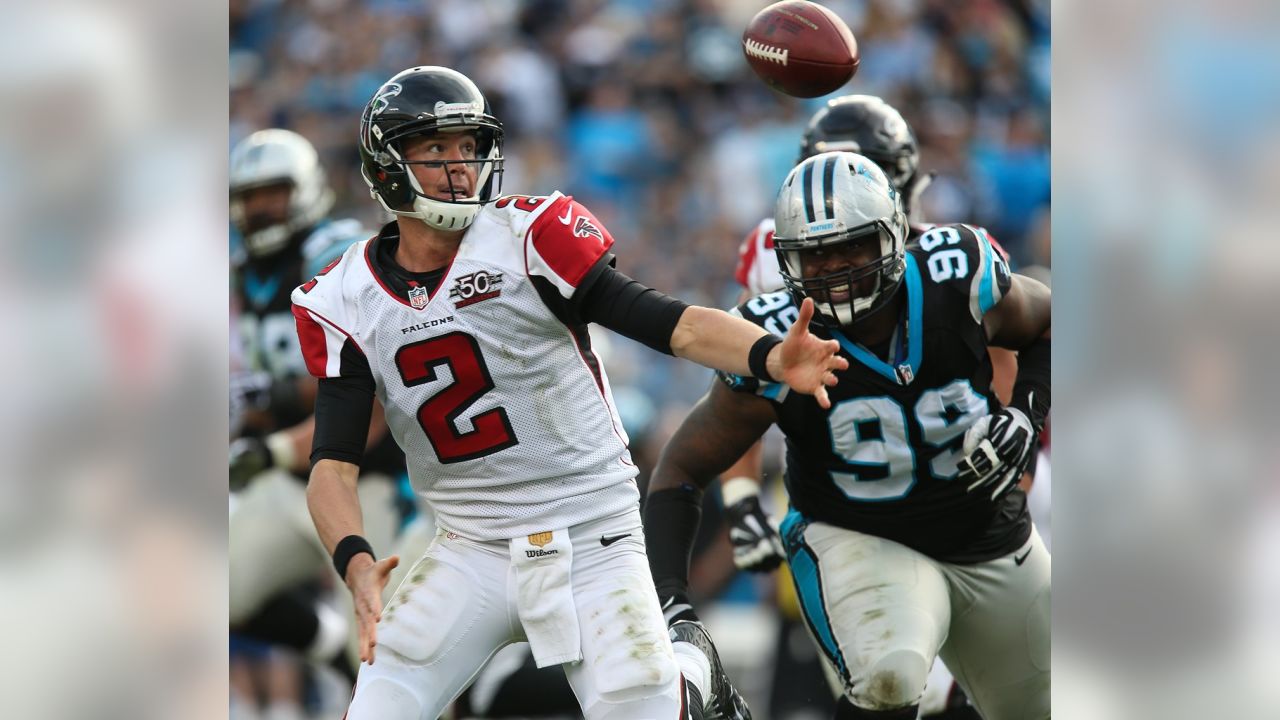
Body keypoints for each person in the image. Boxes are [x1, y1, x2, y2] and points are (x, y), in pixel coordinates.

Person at [289, 65, 849, 720]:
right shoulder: (345, 297)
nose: (459, 167)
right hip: (469, 543)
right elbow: (332, 465)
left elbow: (676, 325)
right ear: (386, 165)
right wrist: (355, 562)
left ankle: (692, 670)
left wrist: (770, 355)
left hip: (590, 530)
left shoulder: (527, 239)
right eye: (434, 149)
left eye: (467, 147)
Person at [644, 151, 1050, 719]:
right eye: (816, 256)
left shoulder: (953, 275)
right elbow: (681, 468)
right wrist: (673, 605)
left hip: (990, 530)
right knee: (892, 672)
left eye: (852, 246)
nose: (835, 269)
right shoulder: (777, 338)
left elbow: (1049, 322)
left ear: (893, 235)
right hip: (859, 535)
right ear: (787, 263)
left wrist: (1026, 415)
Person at [724, 96, 1021, 718]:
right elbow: (744, 383)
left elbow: (1003, 360)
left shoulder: (949, 257)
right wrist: (742, 494)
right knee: (898, 685)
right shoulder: (776, 252)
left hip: (956, 493)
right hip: (848, 500)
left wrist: (1011, 442)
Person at [228, 128, 405, 675]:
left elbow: (359, 380)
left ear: (303, 189)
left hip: (366, 478)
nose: (260, 208)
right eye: (249, 196)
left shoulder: (333, 253)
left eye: (272, 193)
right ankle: (329, 644)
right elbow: (266, 389)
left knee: (397, 649)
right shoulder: (246, 272)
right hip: (289, 483)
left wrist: (273, 421)